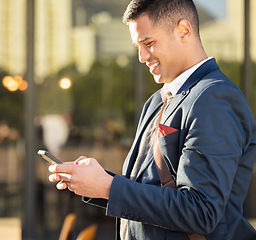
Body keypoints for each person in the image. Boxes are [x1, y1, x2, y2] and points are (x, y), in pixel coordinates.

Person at [48, 0, 256, 239]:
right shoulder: (158, 100)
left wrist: (109, 187)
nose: (141, 56)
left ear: (184, 31)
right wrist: (97, 183)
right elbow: (150, 190)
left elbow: (201, 211)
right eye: (138, 45)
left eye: (148, 43)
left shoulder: (214, 98)